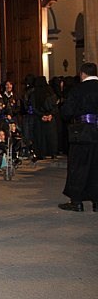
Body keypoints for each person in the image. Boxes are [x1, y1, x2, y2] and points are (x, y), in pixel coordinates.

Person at [58, 62, 98, 212]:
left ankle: (76, 201)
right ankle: (96, 202)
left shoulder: (78, 90)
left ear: (82, 74)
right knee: (96, 166)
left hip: (82, 133)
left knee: (78, 166)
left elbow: (67, 112)